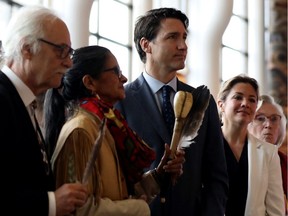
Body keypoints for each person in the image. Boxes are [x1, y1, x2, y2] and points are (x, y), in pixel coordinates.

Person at [44, 45, 185, 216]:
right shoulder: (81, 130)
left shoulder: (107, 124)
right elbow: (79, 209)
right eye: (115, 71)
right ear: (90, 82)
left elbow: (116, 191)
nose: (124, 78)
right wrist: (138, 209)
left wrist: (158, 176)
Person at [115, 7, 229, 216]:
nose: (183, 46)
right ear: (146, 44)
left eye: (184, 37)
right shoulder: (120, 100)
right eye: (172, 37)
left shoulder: (203, 102)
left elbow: (217, 176)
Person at [0, 6, 88, 215]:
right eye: (61, 51)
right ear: (26, 48)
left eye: (70, 53)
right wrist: (51, 203)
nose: (68, 63)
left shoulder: (22, 102)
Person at [217, 74, 285, 215]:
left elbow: (276, 211)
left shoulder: (269, 153)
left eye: (252, 100)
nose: (245, 103)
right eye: (238, 97)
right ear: (221, 104)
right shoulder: (203, 146)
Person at [248, 94, 287, 213]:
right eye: (260, 118)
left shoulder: (284, 161)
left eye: (274, 119)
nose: (268, 125)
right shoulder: (239, 158)